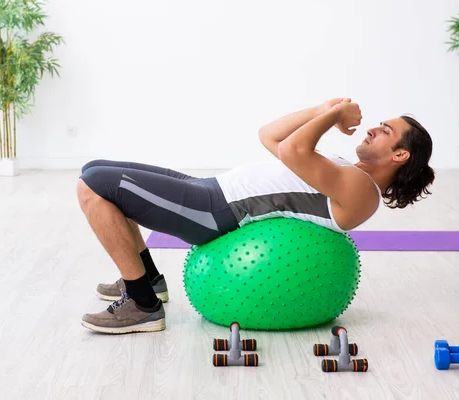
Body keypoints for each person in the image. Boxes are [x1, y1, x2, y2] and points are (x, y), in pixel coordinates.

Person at [76, 97, 435, 334]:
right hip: (210, 188)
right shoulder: (345, 168)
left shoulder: (360, 190)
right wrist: (321, 109)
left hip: (214, 210)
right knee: (95, 168)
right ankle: (148, 279)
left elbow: (294, 149)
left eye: (385, 131)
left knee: (92, 185)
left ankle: (143, 303)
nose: (373, 128)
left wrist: (332, 117)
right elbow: (270, 135)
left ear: (400, 156)